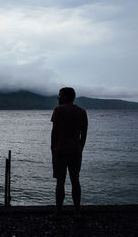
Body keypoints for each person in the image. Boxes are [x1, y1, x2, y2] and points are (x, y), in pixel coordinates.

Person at [51, 87, 88, 219]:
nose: (58, 98)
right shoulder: (82, 112)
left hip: (60, 150)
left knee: (60, 182)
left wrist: (52, 149)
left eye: (60, 95)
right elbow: (84, 134)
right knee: (75, 180)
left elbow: (54, 133)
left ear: (66, 96)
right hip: (76, 151)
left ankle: (58, 212)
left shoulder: (58, 110)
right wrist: (80, 148)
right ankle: (77, 212)